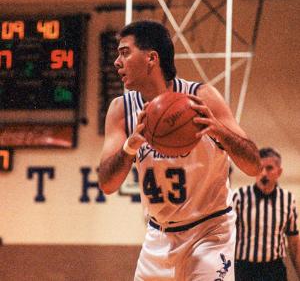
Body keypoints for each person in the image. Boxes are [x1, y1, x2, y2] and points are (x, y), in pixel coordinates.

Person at [98, 20, 261, 281]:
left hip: (210, 231)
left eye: (125, 52)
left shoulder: (201, 97)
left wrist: (218, 130)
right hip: (158, 236)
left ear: (151, 58)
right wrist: (131, 145)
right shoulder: (121, 110)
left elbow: (254, 165)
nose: (117, 62)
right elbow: (107, 184)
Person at [233, 147, 300, 281]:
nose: (263, 173)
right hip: (244, 269)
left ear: (279, 172)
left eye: (269, 168)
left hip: (274, 270)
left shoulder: (287, 200)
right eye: (260, 168)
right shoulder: (239, 196)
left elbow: (293, 243)